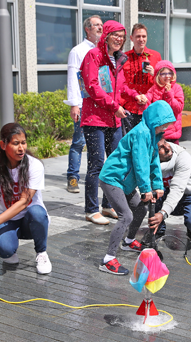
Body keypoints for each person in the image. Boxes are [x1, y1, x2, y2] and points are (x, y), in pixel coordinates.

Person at [80, 20, 146, 225]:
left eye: (122, 36)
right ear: (106, 35)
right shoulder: (94, 56)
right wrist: (113, 106)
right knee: (97, 164)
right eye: (115, 35)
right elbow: (92, 87)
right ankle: (91, 209)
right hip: (95, 119)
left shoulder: (118, 59)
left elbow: (122, 87)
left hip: (113, 119)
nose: (119, 39)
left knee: (115, 163)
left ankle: (108, 206)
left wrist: (135, 96)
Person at [98, 101, 175, 275]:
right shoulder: (141, 133)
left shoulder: (153, 136)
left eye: (166, 126)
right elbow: (140, 163)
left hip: (125, 181)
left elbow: (154, 162)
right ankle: (108, 259)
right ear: (154, 121)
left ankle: (128, 241)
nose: (163, 129)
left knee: (140, 209)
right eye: (162, 125)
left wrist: (157, 185)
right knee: (126, 215)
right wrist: (146, 189)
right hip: (112, 178)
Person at [0, 123, 52, 275]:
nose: (21, 148)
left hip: (31, 221)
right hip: (8, 219)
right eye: (16, 143)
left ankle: (41, 252)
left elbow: (24, 202)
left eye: (23, 143)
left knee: (37, 212)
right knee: (4, 251)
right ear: (3, 145)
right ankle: (10, 248)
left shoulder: (34, 165)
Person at [63, 15, 103, 193]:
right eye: (97, 26)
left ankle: (96, 177)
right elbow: (73, 79)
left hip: (100, 105)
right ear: (88, 29)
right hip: (83, 103)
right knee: (79, 142)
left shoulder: (103, 50)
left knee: (98, 145)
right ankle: (72, 177)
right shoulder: (77, 51)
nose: (100, 28)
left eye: (102, 25)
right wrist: (74, 104)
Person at [149, 138, 191, 241]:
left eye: (165, 142)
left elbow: (177, 189)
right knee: (151, 195)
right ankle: (158, 230)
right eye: (161, 148)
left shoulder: (182, 156)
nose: (168, 147)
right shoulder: (149, 163)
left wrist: (163, 213)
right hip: (169, 194)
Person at [120, 23, 162, 134]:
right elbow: (120, 83)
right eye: (138, 36)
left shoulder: (155, 56)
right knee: (130, 142)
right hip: (129, 107)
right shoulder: (124, 57)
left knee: (149, 142)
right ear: (131, 38)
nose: (141, 39)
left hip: (149, 107)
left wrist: (155, 74)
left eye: (144, 36)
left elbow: (163, 83)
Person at [142, 60, 184, 144]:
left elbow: (178, 109)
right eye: (163, 74)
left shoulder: (177, 88)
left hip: (172, 133)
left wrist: (169, 94)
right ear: (158, 76)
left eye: (170, 73)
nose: (167, 76)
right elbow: (147, 106)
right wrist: (142, 100)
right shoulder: (154, 89)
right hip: (158, 132)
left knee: (172, 156)